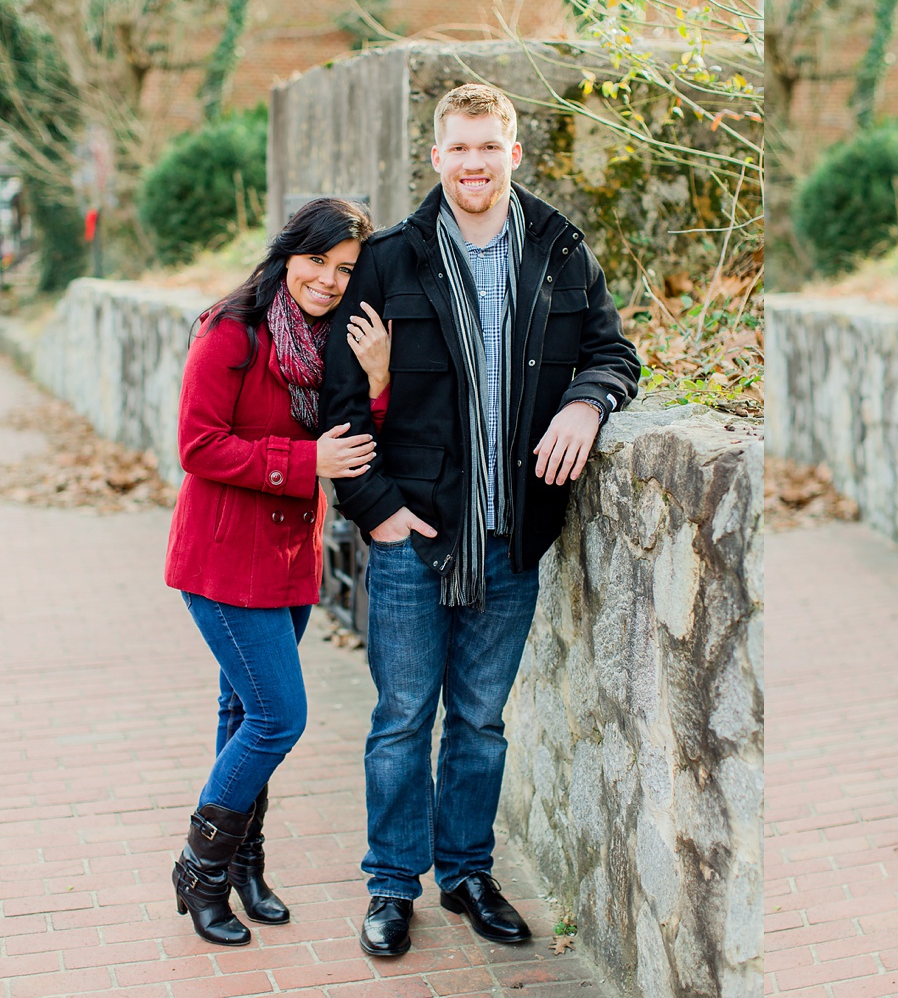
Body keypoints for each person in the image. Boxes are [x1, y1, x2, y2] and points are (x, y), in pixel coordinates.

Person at [319, 83, 641, 958]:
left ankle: (465, 874)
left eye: (487, 149)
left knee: (481, 721)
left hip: (514, 533)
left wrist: (586, 404)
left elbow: (613, 350)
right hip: (415, 539)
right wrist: (379, 515)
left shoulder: (560, 250)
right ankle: (392, 888)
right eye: (458, 150)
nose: (473, 165)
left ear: (513, 153)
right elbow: (343, 404)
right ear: (436, 157)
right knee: (400, 719)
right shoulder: (389, 262)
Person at [164, 197, 394, 945]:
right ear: (289, 252)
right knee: (277, 717)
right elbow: (198, 445)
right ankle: (199, 871)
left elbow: (354, 441)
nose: (328, 281)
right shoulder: (231, 330)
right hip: (223, 559)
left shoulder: (332, 341)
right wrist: (304, 461)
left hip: (291, 560)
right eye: (317, 261)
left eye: (345, 269)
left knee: (241, 713)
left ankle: (242, 866)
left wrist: (378, 380)